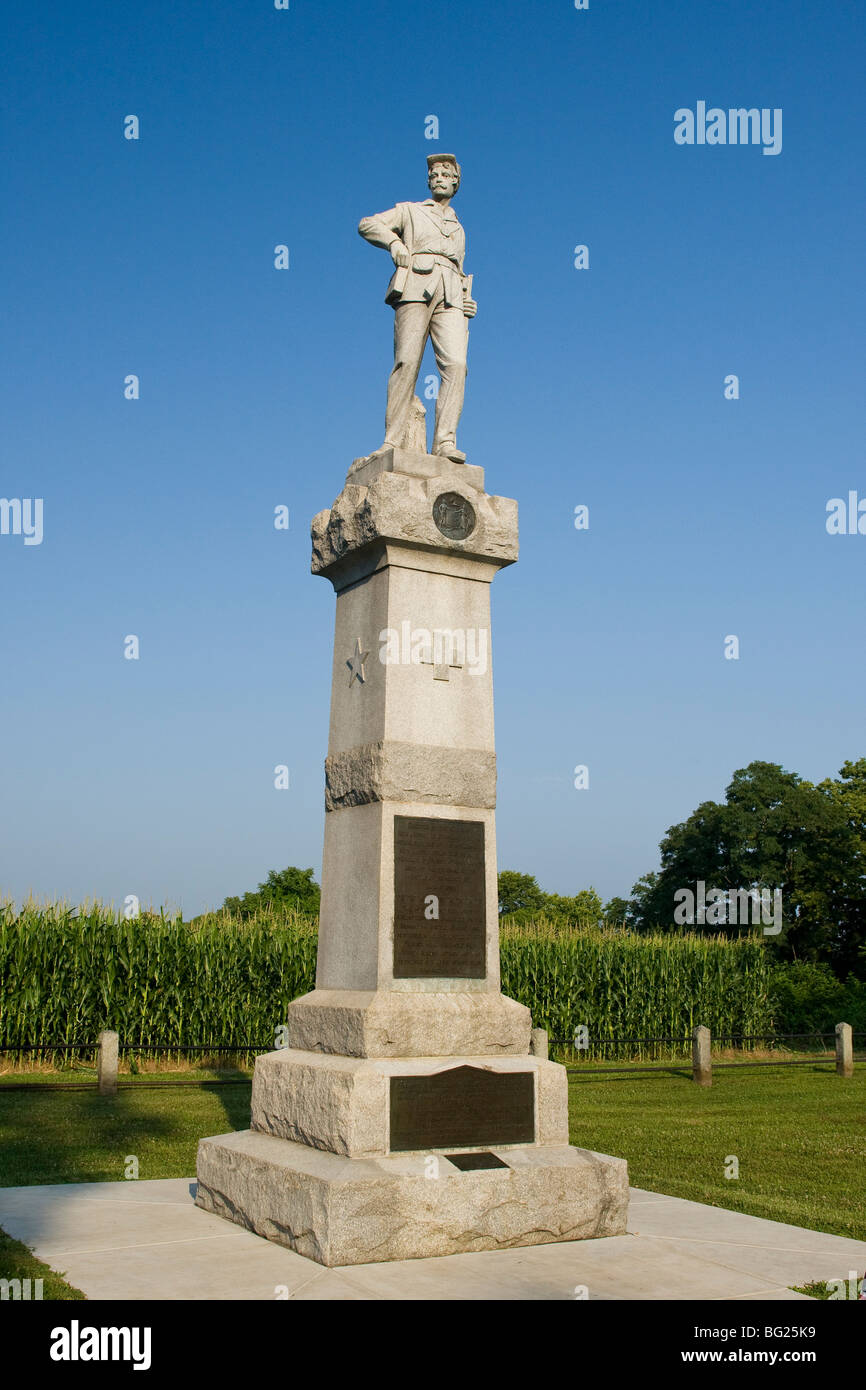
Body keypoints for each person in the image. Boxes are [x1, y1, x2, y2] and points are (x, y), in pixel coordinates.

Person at [358, 154, 477, 462]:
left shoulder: (459, 228)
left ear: (455, 183)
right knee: (406, 363)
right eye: (434, 174)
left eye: (445, 174)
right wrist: (395, 244)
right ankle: (392, 440)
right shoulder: (410, 211)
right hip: (414, 284)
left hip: (451, 295)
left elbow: (461, 270)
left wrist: (467, 300)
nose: (439, 178)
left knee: (456, 365)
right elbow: (367, 224)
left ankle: (445, 442)